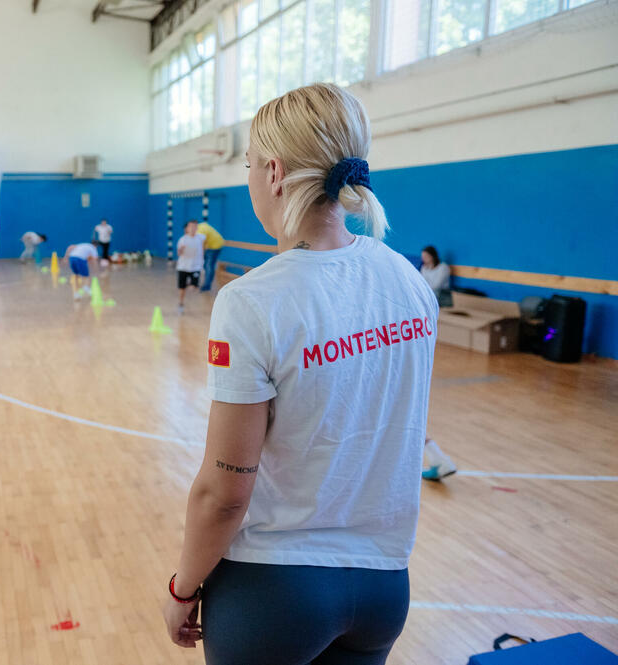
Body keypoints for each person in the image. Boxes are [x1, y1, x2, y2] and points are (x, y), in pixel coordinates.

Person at [162, 83, 438, 664]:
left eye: (246, 165)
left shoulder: (252, 301)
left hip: (275, 590)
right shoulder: (409, 280)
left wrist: (182, 587)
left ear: (275, 171)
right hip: (384, 584)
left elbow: (224, 492)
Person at [176, 220, 204, 315]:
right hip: (183, 267)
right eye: (191, 226)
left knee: (194, 286)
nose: (193, 228)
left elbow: (206, 244)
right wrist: (181, 250)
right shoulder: (183, 240)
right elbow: (179, 253)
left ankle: (190, 283)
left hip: (195, 267)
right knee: (182, 289)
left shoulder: (200, 238)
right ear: (187, 228)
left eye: (195, 226)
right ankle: (181, 303)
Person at [197, 221, 225, 292]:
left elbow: (202, 245)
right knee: (208, 265)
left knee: (209, 265)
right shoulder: (201, 225)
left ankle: (207, 285)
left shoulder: (200, 231)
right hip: (215, 244)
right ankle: (207, 282)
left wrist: (201, 257)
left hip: (214, 247)